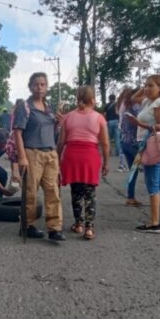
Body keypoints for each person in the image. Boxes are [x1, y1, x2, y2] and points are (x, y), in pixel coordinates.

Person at [13, 73, 65, 243]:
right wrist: (22, 157)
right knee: (31, 192)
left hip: (50, 153)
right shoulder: (24, 107)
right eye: (36, 84)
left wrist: (57, 123)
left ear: (47, 87)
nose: (40, 87)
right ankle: (28, 225)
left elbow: (53, 132)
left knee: (53, 191)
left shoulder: (48, 107)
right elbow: (18, 133)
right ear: (30, 87)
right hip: (32, 153)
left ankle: (54, 228)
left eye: (43, 84)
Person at [58, 85, 111, 241]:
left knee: (76, 192)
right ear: (92, 99)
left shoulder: (67, 117)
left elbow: (61, 142)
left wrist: (56, 159)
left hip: (71, 156)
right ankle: (89, 228)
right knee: (90, 193)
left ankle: (78, 223)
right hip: (90, 156)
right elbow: (106, 144)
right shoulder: (99, 118)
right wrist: (106, 163)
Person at [132, 75, 160, 233]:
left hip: (154, 148)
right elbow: (133, 97)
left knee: (153, 184)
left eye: (151, 86)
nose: (146, 89)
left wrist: (139, 124)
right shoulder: (148, 102)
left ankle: (154, 222)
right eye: (145, 85)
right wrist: (144, 87)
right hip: (147, 145)